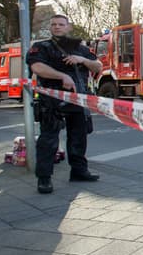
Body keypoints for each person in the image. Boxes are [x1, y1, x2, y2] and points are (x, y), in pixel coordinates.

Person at [26, 14, 102, 194]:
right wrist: (62, 76)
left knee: (79, 138)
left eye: (61, 24)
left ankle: (79, 171)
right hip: (52, 101)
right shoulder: (41, 47)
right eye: (54, 24)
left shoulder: (80, 48)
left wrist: (82, 60)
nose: (57, 27)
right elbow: (37, 67)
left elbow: (98, 66)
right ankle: (44, 178)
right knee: (48, 140)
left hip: (78, 100)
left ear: (69, 27)